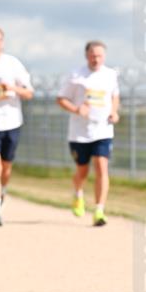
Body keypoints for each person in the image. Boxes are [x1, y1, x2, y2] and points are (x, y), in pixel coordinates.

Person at [56, 42, 120, 227]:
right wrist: (76, 109)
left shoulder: (110, 74)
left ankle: (99, 210)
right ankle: (78, 194)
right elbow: (61, 99)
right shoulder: (76, 75)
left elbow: (114, 96)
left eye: (100, 56)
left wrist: (114, 112)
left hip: (103, 129)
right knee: (82, 170)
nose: (96, 59)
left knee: (101, 166)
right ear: (87, 56)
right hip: (79, 133)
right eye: (93, 56)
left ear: (104, 57)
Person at [0, 27, 34, 226]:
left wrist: (12, 88)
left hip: (11, 123)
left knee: (6, 168)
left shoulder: (13, 64)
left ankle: (1, 191)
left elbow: (29, 93)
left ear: (2, 43)